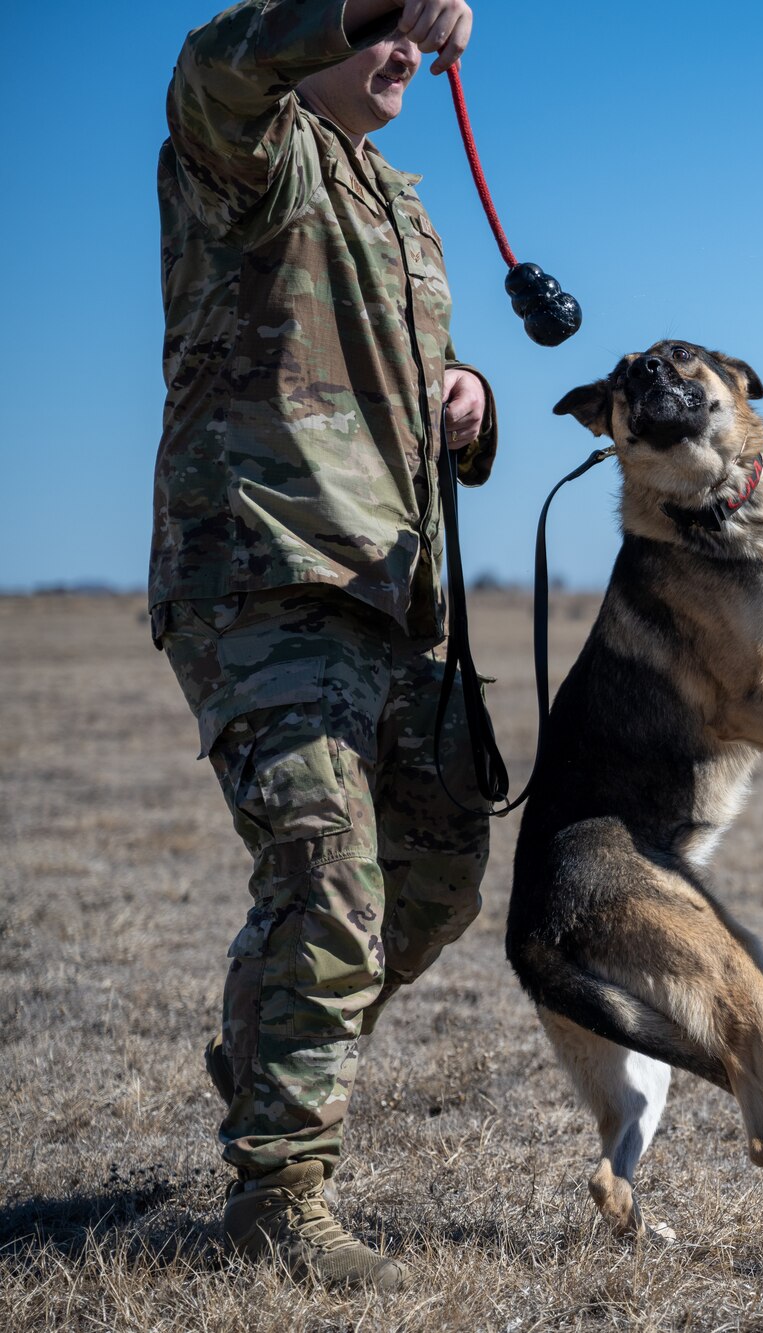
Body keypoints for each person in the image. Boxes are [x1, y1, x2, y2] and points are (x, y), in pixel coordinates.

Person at [151, 0, 494, 1291]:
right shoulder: (251, 150)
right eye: (384, 31)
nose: (407, 51)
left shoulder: (399, 205)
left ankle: (265, 1047)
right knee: (328, 876)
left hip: (387, 595)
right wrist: (365, 3)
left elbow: (411, 371)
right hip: (262, 572)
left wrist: (468, 399)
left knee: (440, 861)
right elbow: (213, 68)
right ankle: (277, 1194)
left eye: (418, 33)